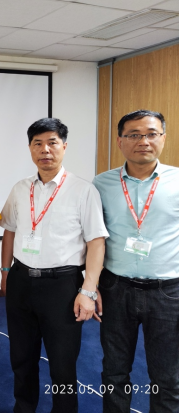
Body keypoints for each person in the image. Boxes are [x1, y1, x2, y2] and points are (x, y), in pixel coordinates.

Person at [0, 118, 108, 413]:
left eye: (52, 143)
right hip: (21, 281)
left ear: (64, 147)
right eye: (38, 143)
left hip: (63, 286)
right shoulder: (20, 188)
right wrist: (5, 271)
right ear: (30, 148)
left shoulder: (83, 190)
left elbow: (97, 243)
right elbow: (9, 230)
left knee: (62, 364)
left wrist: (88, 290)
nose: (45, 150)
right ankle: (24, 408)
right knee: (21, 358)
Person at [93, 110, 179, 413]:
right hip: (115, 289)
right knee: (114, 372)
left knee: (168, 377)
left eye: (151, 134)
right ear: (120, 141)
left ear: (163, 138)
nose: (143, 141)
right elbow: (92, 238)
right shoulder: (101, 184)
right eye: (134, 135)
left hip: (168, 292)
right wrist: (91, 285)